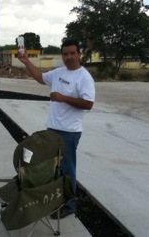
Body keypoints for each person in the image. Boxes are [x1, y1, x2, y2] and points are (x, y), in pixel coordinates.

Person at [17, 39, 95, 219]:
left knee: (67, 170)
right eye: (65, 54)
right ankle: (57, 199)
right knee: (55, 169)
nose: (68, 57)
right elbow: (40, 77)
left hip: (69, 132)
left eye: (72, 53)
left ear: (79, 54)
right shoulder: (59, 72)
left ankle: (70, 205)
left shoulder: (84, 77)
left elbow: (88, 103)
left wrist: (63, 97)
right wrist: (27, 62)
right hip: (52, 129)